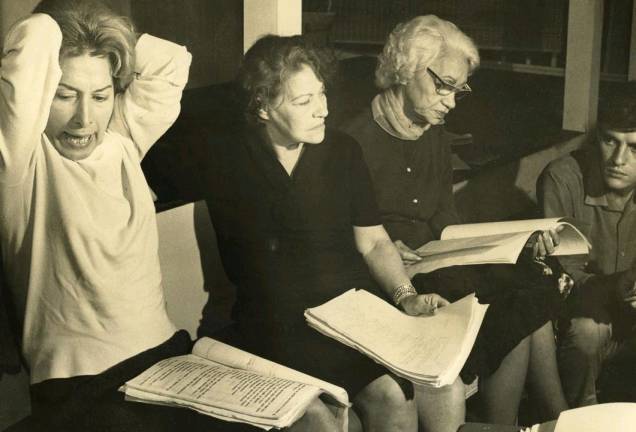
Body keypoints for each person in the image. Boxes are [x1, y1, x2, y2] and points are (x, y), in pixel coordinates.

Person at [151, 34, 456, 432]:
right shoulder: (224, 156)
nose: (323, 110)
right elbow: (147, 149)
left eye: (322, 94)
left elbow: (374, 240)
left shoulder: (342, 151)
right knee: (327, 418)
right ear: (261, 107)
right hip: (273, 322)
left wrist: (406, 297)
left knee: (392, 398)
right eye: (303, 101)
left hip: (350, 314)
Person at [0, 1, 260, 430]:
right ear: (41, 92)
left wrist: (106, 39)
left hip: (164, 355)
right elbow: (36, 39)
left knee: (314, 417)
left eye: (99, 96)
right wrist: (73, 27)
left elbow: (173, 62)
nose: (84, 119)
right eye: (64, 95)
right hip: (80, 382)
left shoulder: (121, 140)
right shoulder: (20, 163)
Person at [341, 15, 570, 431]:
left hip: (435, 258)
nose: (450, 101)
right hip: (390, 275)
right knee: (507, 308)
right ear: (406, 69)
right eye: (442, 84)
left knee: (528, 280)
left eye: (457, 90)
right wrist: (397, 249)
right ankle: (555, 417)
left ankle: (538, 420)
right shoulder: (352, 141)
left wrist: (501, 242)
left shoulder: (433, 134)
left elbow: (445, 216)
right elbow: (349, 233)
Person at [539, 86, 636, 407]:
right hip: (583, 314)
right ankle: (580, 420)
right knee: (587, 331)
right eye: (610, 141)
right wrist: (614, 286)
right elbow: (559, 280)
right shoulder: (563, 179)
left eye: (635, 148)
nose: (619, 160)